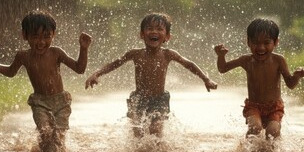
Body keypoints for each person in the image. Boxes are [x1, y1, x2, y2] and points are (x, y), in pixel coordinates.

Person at [85, 13, 217, 138]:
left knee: (156, 131)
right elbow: (115, 63)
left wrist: (206, 79)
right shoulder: (136, 54)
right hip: (138, 98)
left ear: (167, 37)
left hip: (159, 100)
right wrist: (97, 74)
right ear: (142, 34)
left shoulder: (168, 54)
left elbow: (189, 64)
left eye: (159, 29)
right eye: (150, 28)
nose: (154, 32)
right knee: (138, 132)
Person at [0, 10, 92, 152]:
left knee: (58, 138)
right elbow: (10, 72)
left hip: (61, 102)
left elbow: (79, 69)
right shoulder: (23, 56)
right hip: (39, 103)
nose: (41, 42)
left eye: (46, 37)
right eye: (35, 37)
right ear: (24, 35)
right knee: (45, 134)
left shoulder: (56, 53)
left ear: (54, 35)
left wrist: (83, 49)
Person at [214, 18, 304, 140]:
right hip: (254, 106)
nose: (261, 47)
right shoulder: (246, 60)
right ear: (248, 42)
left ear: (276, 42)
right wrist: (221, 56)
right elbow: (223, 69)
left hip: (274, 107)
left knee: (272, 131)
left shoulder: (279, 60)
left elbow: (290, 84)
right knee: (255, 128)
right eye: (256, 43)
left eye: (266, 43)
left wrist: (296, 76)